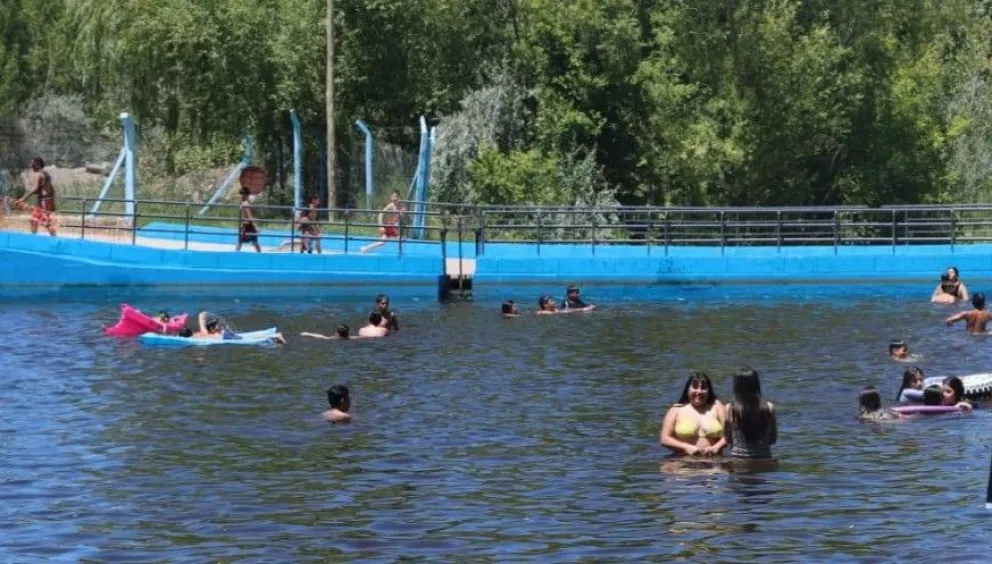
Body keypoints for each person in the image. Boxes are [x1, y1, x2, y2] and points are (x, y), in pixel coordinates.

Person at [660, 372, 726, 456]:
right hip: (684, 459)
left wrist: (716, 447)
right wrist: (686, 447)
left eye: (703, 388)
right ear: (688, 389)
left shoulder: (717, 406)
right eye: (695, 387)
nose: (699, 391)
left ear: (709, 391)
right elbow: (664, 439)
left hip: (714, 459)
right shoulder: (676, 409)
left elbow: (730, 434)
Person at [724, 367, 777, 460]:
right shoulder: (769, 407)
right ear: (756, 385)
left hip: (738, 461)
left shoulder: (730, 408)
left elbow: (728, 439)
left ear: (737, 386)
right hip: (764, 461)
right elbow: (773, 439)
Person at [15, 157, 57, 236]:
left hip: (44, 201)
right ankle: (33, 239)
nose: (31, 165)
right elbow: (46, 189)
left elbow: (35, 189)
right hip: (44, 201)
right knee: (33, 220)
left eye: (32, 163)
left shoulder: (40, 174)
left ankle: (55, 239)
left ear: (38, 164)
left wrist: (22, 198)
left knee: (46, 223)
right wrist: (52, 200)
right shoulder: (45, 173)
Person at [235, 187, 262, 253]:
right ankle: (260, 254)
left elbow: (249, 216)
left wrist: (256, 226)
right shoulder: (245, 203)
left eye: (242, 193)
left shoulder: (245, 203)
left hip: (247, 225)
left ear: (246, 194)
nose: (241, 195)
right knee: (253, 242)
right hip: (246, 224)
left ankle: (236, 254)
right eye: (241, 193)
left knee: (242, 241)